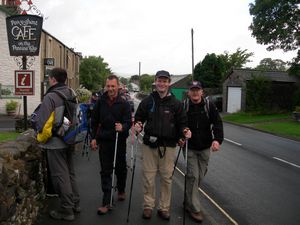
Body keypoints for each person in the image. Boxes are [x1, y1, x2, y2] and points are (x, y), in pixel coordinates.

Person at [134, 70, 191, 220]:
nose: (162, 83)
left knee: (167, 179)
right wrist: (138, 124)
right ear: (155, 81)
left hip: (169, 146)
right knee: (148, 178)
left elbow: (182, 123)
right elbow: (139, 117)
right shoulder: (148, 100)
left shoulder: (176, 104)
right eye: (160, 80)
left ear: (169, 83)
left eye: (165, 81)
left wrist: (184, 132)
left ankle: (164, 208)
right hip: (149, 146)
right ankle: (148, 206)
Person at [33, 68, 80, 221]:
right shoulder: (71, 93)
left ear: (53, 79)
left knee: (60, 175)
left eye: (49, 79)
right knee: (70, 172)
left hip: (55, 142)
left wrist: (39, 135)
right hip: (70, 138)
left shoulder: (51, 97)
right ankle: (75, 203)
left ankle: (67, 210)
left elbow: (42, 123)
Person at [90, 74, 131, 215]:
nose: (110, 89)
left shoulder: (124, 103)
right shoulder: (100, 102)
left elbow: (128, 122)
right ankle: (106, 201)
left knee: (120, 169)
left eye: (113, 86)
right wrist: (93, 138)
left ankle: (121, 189)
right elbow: (94, 121)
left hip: (119, 141)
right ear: (105, 86)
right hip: (104, 141)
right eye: (108, 86)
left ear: (118, 86)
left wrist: (123, 127)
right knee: (106, 171)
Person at [183, 81, 224, 223]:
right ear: (188, 92)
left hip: (205, 148)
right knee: (193, 176)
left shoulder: (209, 106)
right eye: (192, 90)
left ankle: (188, 200)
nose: (195, 92)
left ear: (202, 92)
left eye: (197, 90)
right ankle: (194, 209)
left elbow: (217, 122)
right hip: (190, 148)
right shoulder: (184, 106)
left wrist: (217, 140)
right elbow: (179, 124)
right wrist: (181, 135)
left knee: (199, 177)